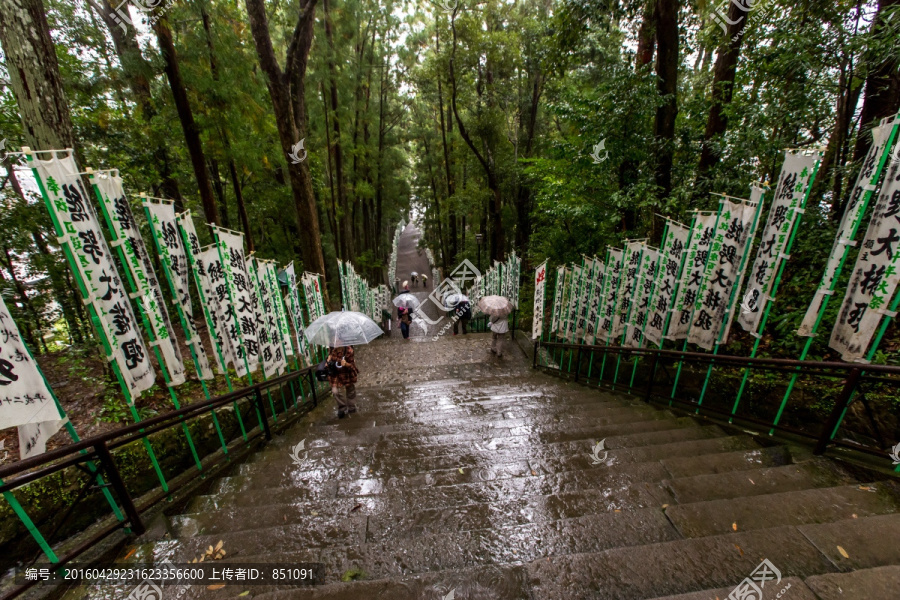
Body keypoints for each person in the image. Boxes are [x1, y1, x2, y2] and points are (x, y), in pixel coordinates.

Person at [327, 346, 358, 418]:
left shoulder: (348, 350)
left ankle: (351, 407)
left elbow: (352, 365)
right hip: (335, 374)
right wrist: (328, 361)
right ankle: (342, 408)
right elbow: (329, 359)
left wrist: (346, 364)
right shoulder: (331, 349)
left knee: (350, 390)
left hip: (346, 373)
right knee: (335, 391)